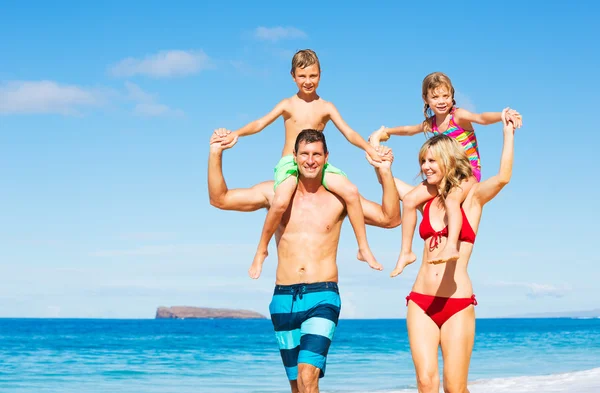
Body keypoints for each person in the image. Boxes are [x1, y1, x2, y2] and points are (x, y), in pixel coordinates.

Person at [208, 129, 399, 393]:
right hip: (283, 299)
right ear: (294, 157)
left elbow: (390, 218)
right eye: (305, 154)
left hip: (322, 296)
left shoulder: (340, 198)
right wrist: (216, 153)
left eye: (317, 155)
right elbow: (220, 199)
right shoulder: (275, 193)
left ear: (326, 157)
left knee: (308, 376)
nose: (311, 160)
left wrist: (385, 173)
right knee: (297, 386)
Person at [216, 49, 384, 279]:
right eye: (302, 76)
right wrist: (237, 133)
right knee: (281, 200)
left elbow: (348, 132)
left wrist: (369, 148)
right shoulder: (288, 104)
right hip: (291, 163)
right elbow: (260, 123)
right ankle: (261, 250)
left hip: (317, 162)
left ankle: (363, 248)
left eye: (313, 76)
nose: (308, 81)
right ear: (293, 76)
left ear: (320, 75)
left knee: (351, 192)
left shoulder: (326, 106)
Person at [390, 109, 520, 393]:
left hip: (456, 303)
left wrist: (507, 134)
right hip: (420, 301)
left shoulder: (470, 199)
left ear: (448, 161)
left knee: (454, 387)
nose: (425, 166)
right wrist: (381, 166)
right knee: (426, 383)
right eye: (422, 161)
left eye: (431, 160)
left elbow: (503, 178)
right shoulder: (426, 199)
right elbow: (397, 190)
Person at [369, 72, 522, 271]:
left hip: (466, 174)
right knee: (409, 200)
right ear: (426, 99)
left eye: (445, 96)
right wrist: (386, 132)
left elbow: (481, 118)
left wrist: (503, 115)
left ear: (452, 96)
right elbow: (409, 129)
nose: (441, 101)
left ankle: (451, 246)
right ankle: (406, 252)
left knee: (451, 200)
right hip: (443, 176)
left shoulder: (458, 116)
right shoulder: (431, 124)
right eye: (435, 97)